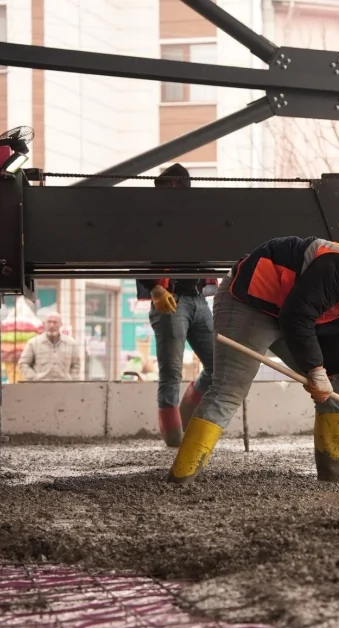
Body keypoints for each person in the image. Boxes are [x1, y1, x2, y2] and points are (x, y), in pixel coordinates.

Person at [166, 236, 339, 485]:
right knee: (229, 390)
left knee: (335, 381)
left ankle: (333, 478)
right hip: (250, 302)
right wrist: (315, 369)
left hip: (291, 313)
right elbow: (297, 315)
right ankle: (181, 478)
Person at [136, 164, 216, 448]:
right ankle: (173, 438)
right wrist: (155, 287)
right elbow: (137, 254)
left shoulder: (194, 219)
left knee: (218, 366)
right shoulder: (153, 220)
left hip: (197, 298)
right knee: (171, 372)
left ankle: (182, 419)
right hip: (172, 299)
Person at [17, 312, 81, 381]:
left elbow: (76, 364)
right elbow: (23, 364)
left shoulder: (71, 344)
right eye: (49, 322)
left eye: (55, 322)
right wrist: (34, 378)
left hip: (64, 386)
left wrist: (71, 379)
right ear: (44, 324)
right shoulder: (33, 343)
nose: (51, 325)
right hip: (40, 387)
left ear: (61, 324)